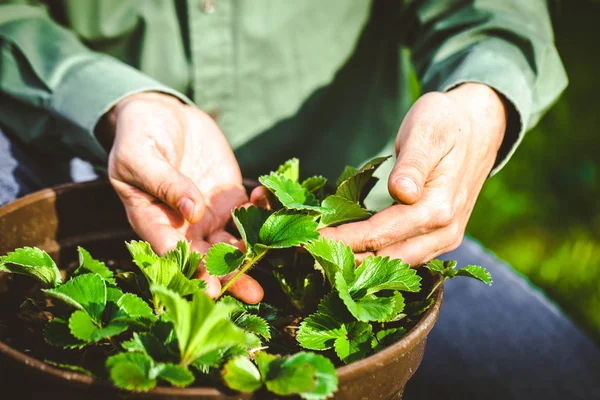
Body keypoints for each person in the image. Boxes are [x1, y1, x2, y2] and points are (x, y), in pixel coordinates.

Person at [0, 0, 598, 398]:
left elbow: (489, 12)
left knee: (566, 380)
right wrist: (117, 101)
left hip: (361, 226)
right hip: (93, 171)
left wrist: (481, 101)